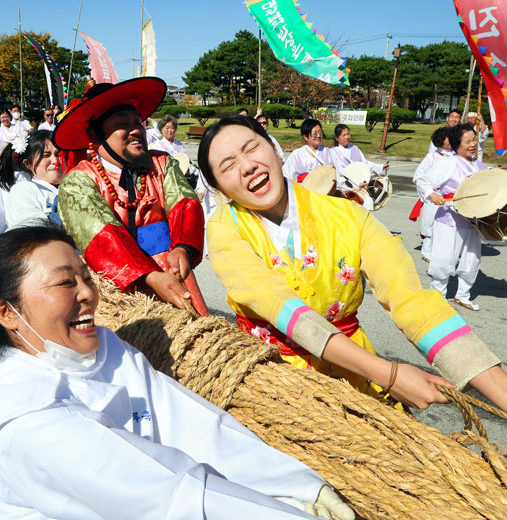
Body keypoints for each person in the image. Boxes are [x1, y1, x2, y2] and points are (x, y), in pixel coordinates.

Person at [0, 225, 355, 520]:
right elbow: (170, 497)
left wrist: (297, 484)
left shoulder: (105, 350)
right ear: (6, 312)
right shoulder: (29, 418)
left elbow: (195, 426)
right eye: (65, 282)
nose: (87, 293)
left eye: (86, 276)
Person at [199, 114, 507, 412]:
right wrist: (388, 375)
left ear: (275, 149)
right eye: (228, 166)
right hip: (273, 379)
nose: (248, 165)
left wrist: (497, 389)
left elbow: (410, 299)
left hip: (355, 372)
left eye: (252, 148)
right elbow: (274, 301)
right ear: (219, 189)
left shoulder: (348, 215)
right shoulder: (223, 228)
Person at [54, 77, 209, 316]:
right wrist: (149, 276)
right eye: (123, 123)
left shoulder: (162, 164)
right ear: (95, 136)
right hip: (117, 284)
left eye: (138, 122)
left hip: (172, 272)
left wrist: (183, 248)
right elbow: (102, 236)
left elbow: (185, 203)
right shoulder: (79, 181)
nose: (136, 130)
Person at [420, 123, 486, 311]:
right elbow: (423, 180)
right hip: (449, 219)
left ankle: (463, 295)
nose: (473, 144)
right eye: (468, 141)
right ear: (457, 144)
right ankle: (437, 294)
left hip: (473, 221)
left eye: (474, 139)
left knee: (471, 259)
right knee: (444, 259)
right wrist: (432, 195)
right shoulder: (449, 163)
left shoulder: (480, 166)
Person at [0, 130, 63, 228]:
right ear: (28, 164)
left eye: (58, 155)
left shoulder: (73, 187)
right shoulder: (23, 191)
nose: (55, 160)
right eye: (46, 155)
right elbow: (32, 234)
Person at [410, 127, 454, 262]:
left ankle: (443, 251)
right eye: (449, 137)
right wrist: (429, 193)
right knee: (430, 225)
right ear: (441, 140)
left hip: (450, 198)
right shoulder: (431, 157)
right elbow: (418, 176)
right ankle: (427, 252)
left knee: (446, 226)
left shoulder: (456, 157)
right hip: (434, 197)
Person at [330, 124, 389, 210]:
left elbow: (365, 164)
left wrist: (380, 167)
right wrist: (354, 184)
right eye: (344, 135)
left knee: (367, 203)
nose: (347, 137)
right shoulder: (333, 152)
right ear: (336, 138)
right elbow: (339, 173)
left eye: (348, 134)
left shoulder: (355, 149)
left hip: (361, 186)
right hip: (345, 187)